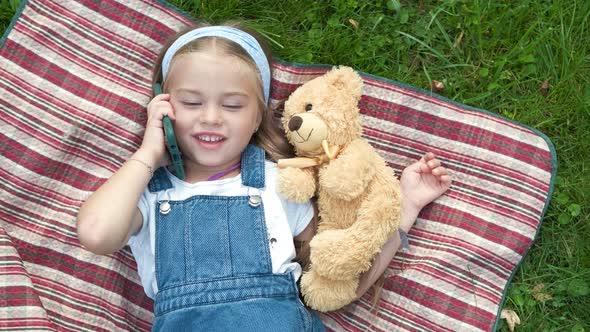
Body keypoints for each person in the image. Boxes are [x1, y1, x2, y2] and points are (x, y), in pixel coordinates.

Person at [76, 21, 451, 331]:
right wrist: (147, 154)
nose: (211, 117)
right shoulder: (150, 195)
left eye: (233, 105)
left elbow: (336, 281)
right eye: (191, 102)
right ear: (162, 108)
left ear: (257, 117)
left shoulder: (280, 184)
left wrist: (408, 206)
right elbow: (95, 233)